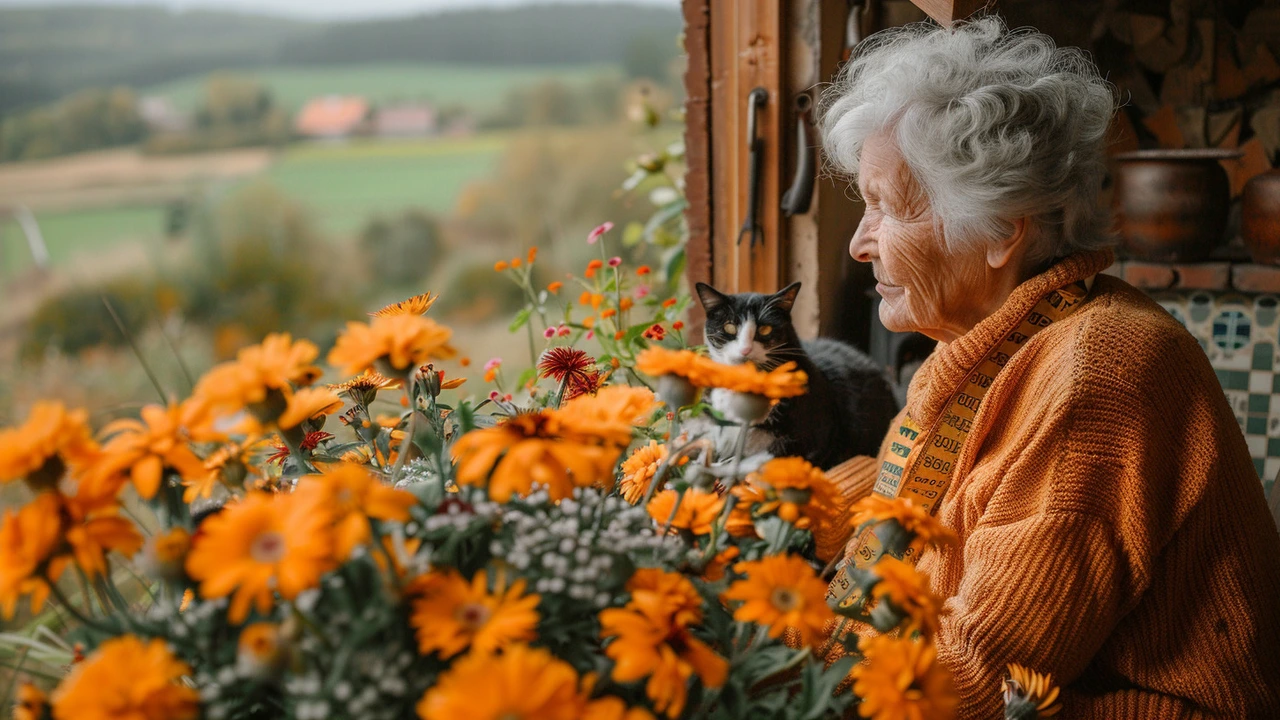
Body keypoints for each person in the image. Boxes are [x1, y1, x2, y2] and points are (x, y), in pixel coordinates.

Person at [814, 16, 1280, 718]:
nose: (859, 243)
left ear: (1002, 228)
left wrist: (766, 647)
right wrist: (769, 506)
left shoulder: (1096, 376)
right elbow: (915, 502)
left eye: (888, 209)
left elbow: (978, 679)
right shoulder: (989, 340)